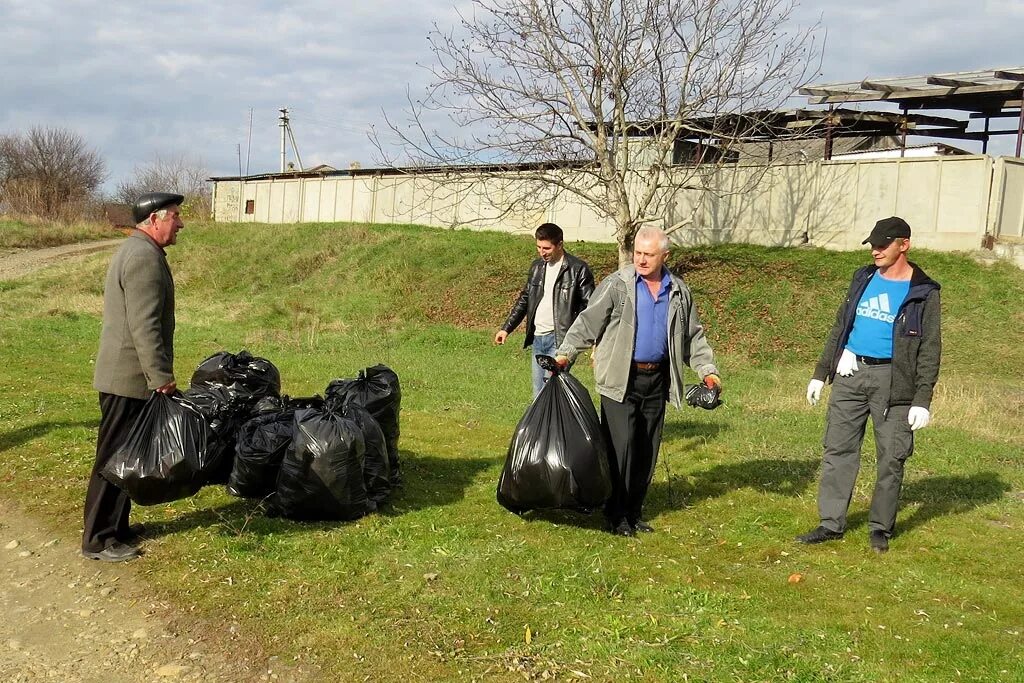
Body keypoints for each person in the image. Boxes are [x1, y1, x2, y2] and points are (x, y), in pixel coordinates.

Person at [554, 227, 721, 536]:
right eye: (638, 253)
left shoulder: (679, 291)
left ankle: (634, 511)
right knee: (622, 447)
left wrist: (708, 371)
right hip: (621, 378)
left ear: (665, 256)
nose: (642, 260)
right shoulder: (617, 285)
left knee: (647, 448)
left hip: (657, 379)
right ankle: (615, 514)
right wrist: (565, 354)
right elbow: (587, 323)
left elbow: (692, 337)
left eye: (649, 254)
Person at [799, 216, 941, 553]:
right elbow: (841, 325)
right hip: (851, 373)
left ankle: (880, 528)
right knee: (838, 449)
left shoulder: (923, 292)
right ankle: (830, 523)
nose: (875, 250)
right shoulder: (862, 277)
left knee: (891, 456)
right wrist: (824, 370)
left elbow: (930, 347)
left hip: (894, 381)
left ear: (903, 244)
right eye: (873, 244)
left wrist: (922, 398)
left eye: (883, 244)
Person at [83, 192, 185, 562]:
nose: (180, 223)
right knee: (113, 460)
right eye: (175, 216)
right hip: (128, 379)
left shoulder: (138, 251)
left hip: (126, 376)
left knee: (126, 457)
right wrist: (160, 376)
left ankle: (118, 528)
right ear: (155, 219)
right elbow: (145, 327)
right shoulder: (143, 257)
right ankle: (98, 539)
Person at [494, 222, 595, 397]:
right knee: (538, 392)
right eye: (539, 247)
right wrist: (506, 328)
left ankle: (554, 424)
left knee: (550, 392)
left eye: (547, 248)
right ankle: (543, 425)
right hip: (539, 338)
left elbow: (591, 308)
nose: (542, 252)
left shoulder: (578, 269)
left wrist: (592, 341)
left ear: (560, 245)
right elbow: (525, 299)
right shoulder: (537, 267)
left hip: (561, 340)